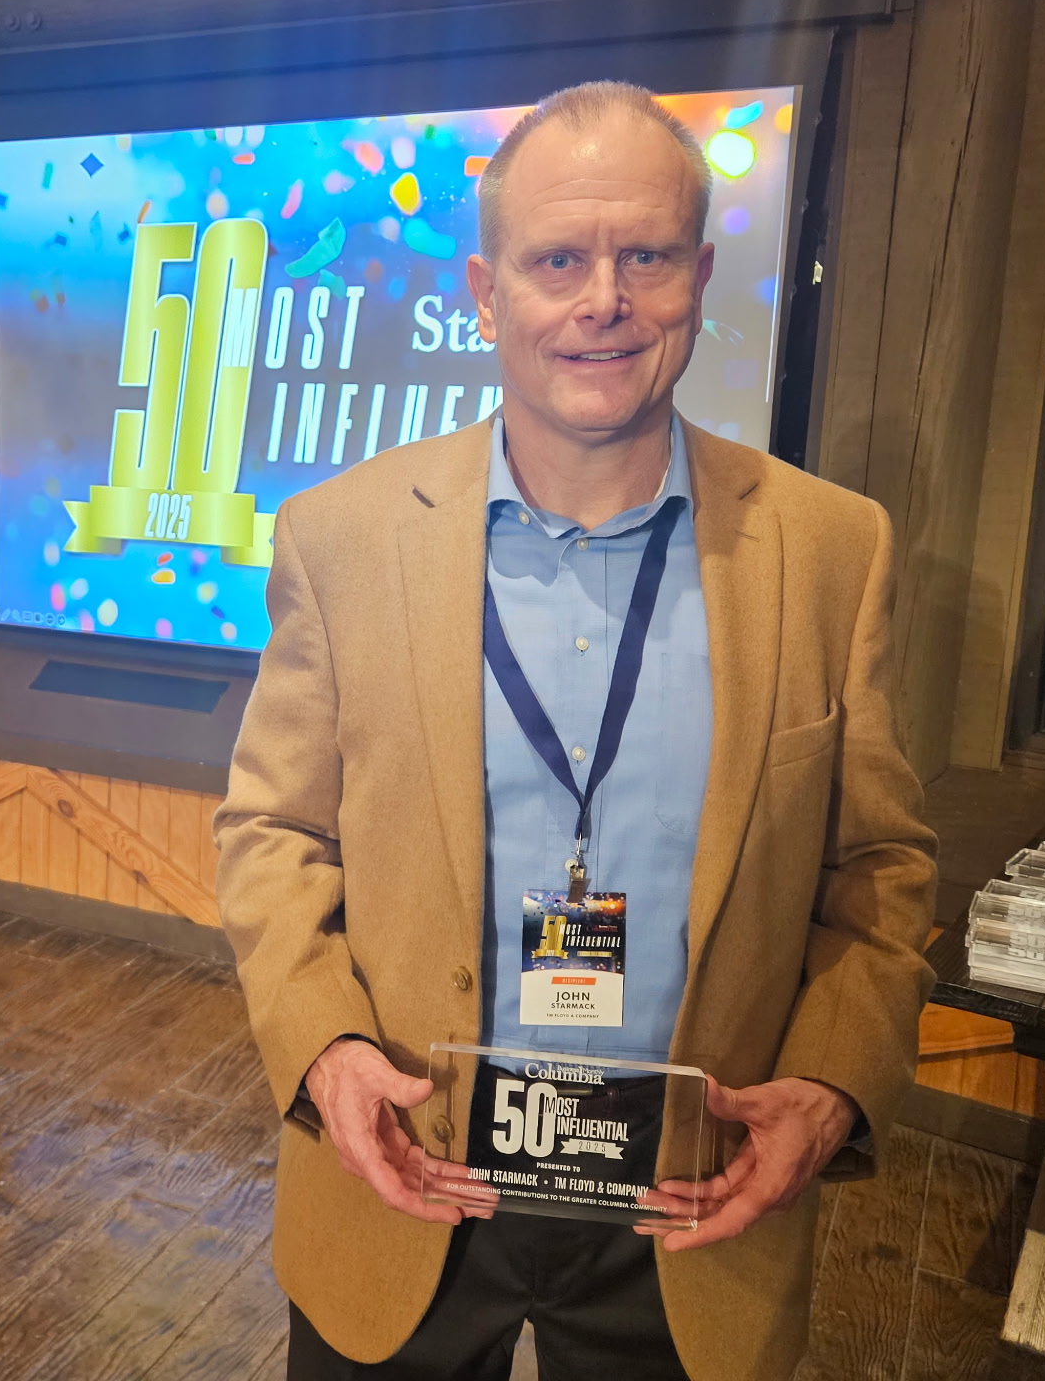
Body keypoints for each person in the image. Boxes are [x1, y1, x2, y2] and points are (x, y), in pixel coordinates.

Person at [215, 81, 937, 1381]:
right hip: (406, 1173)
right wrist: (323, 1051)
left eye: (644, 256)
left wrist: (835, 1083)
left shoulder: (833, 549)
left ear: (698, 279)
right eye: (557, 261)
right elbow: (272, 831)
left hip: (696, 1202)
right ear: (486, 296)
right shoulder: (340, 536)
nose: (603, 300)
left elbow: (881, 869)